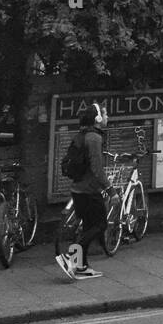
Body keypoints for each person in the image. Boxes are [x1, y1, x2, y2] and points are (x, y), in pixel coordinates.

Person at [56, 103, 112, 281]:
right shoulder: (94, 138)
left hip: (77, 190)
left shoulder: (81, 135)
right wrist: (111, 190)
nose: (107, 117)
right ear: (97, 118)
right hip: (89, 190)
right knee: (100, 225)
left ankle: (81, 266)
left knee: (88, 227)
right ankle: (71, 258)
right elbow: (97, 168)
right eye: (104, 114)